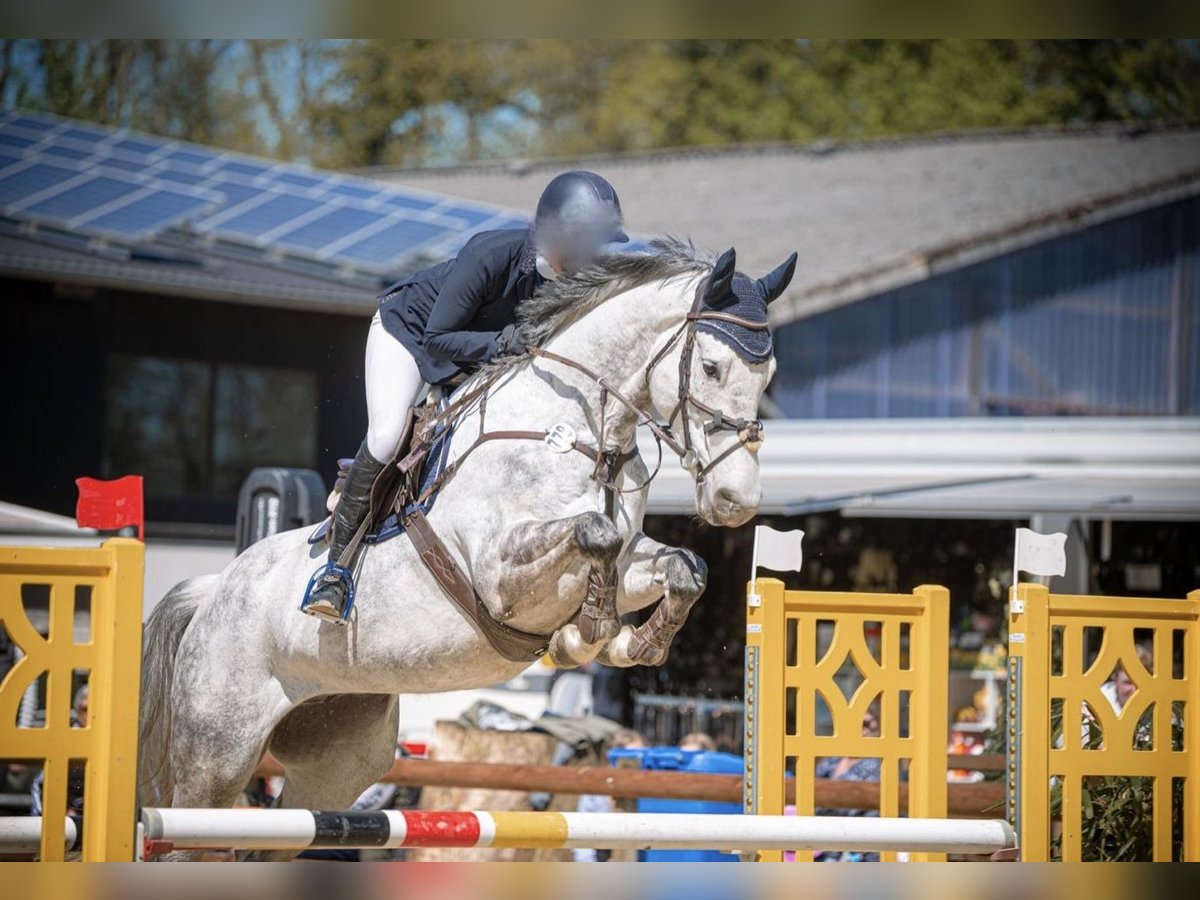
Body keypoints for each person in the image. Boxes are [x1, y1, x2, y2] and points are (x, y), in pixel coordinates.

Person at [303, 171, 630, 623]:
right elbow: (439, 337)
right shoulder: (489, 253)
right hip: (410, 332)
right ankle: (334, 572)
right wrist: (504, 341)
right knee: (387, 434)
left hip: (477, 351)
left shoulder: (572, 283)